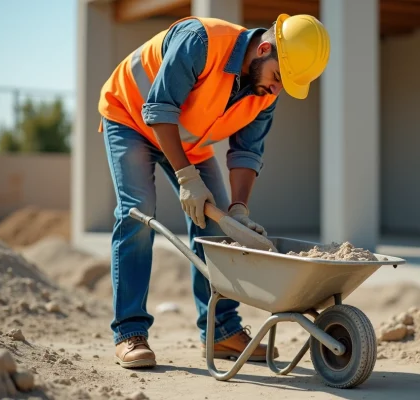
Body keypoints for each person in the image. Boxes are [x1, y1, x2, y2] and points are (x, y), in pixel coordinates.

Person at [97, 13, 331, 369]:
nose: (276, 90)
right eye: (278, 77)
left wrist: (238, 210)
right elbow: (159, 109)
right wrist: (188, 179)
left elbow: (247, 153)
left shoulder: (265, 93)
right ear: (263, 49)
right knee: (138, 212)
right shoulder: (201, 40)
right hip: (130, 117)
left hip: (188, 142)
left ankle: (221, 331)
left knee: (218, 227)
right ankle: (129, 332)